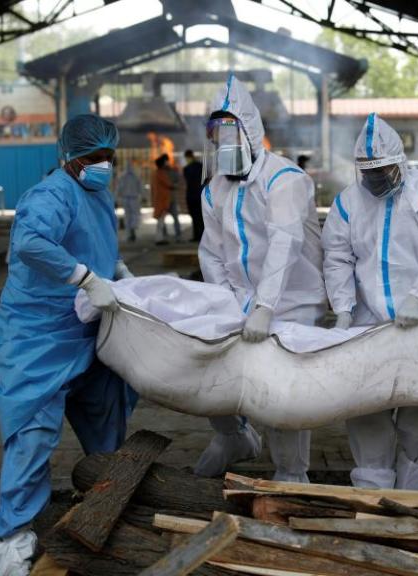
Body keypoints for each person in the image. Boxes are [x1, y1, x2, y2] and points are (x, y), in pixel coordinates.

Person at [0, 114, 137, 576]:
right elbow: (31, 242)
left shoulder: (97, 194)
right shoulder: (51, 194)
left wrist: (119, 270)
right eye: (95, 158)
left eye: (109, 158)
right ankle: (11, 536)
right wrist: (86, 277)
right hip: (38, 334)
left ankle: (102, 503)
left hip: (85, 330)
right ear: (70, 158)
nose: (104, 166)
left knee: (106, 416)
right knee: (32, 434)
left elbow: (97, 246)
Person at [322, 113, 418, 490]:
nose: (375, 182)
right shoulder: (348, 202)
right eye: (368, 174)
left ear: (399, 164)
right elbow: (337, 256)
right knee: (366, 405)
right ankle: (372, 487)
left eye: (382, 173)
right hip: (369, 323)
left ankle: (416, 489)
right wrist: (342, 309)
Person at [195, 75, 326, 483]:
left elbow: (284, 245)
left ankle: (291, 473)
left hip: (294, 300)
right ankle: (233, 436)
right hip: (242, 300)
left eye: (229, 134)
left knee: (282, 390)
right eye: (215, 136)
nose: (222, 145)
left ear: (251, 134)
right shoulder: (215, 188)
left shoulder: (283, 179)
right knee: (208, 365)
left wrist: (267, 306)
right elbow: (212, 251)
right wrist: (226, 301)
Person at [151, 153, 182, 245]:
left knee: (161, 220)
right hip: (164, 200)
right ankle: (159, 239)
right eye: (166, 161)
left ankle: (161, 238)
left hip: (163, 199)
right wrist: (175, 186)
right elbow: (169, 184)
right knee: (161, 221)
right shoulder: (161, 173)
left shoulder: (156, 173)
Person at [117, 160, 142, 242]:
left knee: (128, 216)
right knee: (134, 215)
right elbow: (140, 187)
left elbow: (119, 188)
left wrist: (116, 198)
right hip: (133, 198)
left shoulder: (123, 176)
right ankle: (132, 230)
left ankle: (130, 232)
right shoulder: (135, 176)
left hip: (126, 198)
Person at [183, 149, 204, 242]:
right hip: (200, 195)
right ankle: (203, 237)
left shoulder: (186, 169)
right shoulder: (201, 166)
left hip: (191, 196)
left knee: (195, 218)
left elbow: (187, 180)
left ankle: (197, 236)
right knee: (201, 217)